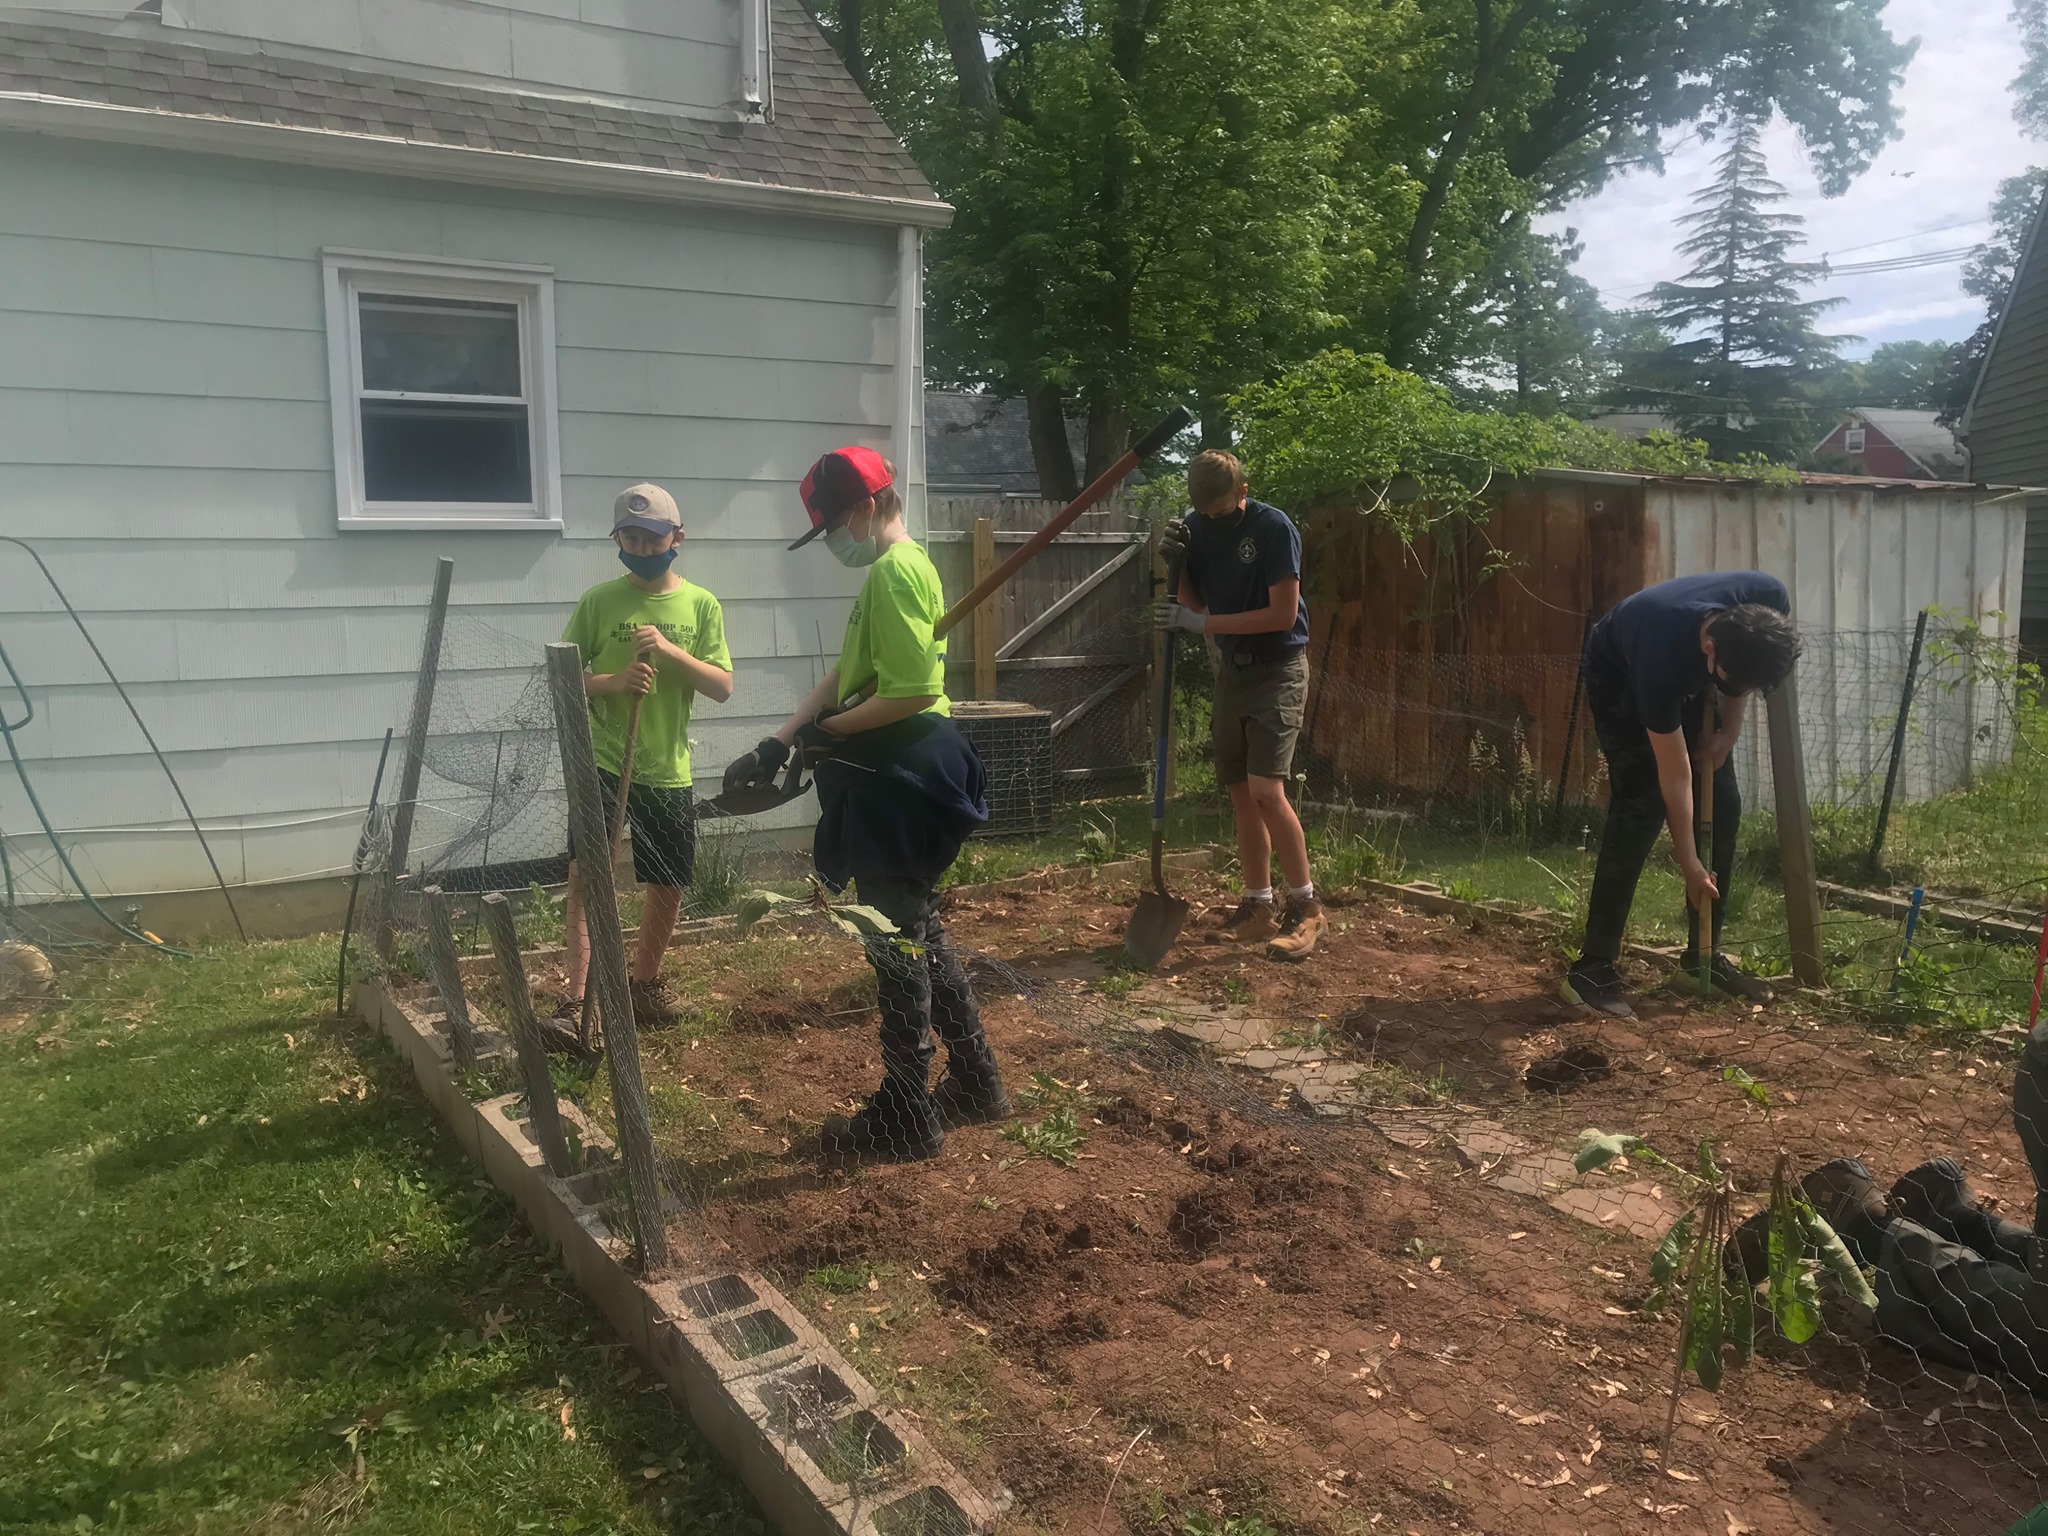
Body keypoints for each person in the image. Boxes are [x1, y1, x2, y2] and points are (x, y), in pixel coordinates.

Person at [722, 447, 1004, 1166]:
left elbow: (908, 691)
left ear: (866, 507)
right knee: (917, 932)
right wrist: (778, 739)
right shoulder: (888, 575)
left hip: (905, 775)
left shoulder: (897, 570)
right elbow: (850, 673)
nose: (834, 543)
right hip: (896, 766)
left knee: (895, 942)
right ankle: (975, 1084)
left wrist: (829, 732)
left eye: (835, 526)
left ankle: (909, 1116)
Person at [1562, 571, 1800, 1018]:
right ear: (1710, 651)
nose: (1740, 692)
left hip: (1694, 667)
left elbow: (1739, 678)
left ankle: (1702, 956)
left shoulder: (1768, 600)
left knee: (1724, 802)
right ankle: (1591, 968)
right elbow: (1675, 775)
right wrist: (1690, 865)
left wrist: (1728, 733)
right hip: (1617, 671)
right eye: (1734, 683)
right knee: (1643, 801)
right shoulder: (1661, 660)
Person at [559, 484, 733, 1028]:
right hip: (605, 763)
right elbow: (565, 676)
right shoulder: (598, 602)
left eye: (652, 538)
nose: (641, 546)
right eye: (629, 537)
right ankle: (575, 1000)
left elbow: (722, 686)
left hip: (666, 768)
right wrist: (615, 680)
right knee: (587, 876)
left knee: (667, 881)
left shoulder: (701, 604)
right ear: (617, 540)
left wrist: (669, 649)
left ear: (677, 538)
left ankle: (644, 987)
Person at [1154, 449, 1325, 961]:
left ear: (1243, 494)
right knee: (1240, 796)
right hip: (1233, 671)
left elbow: (1281, 614)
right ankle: (1258, 907)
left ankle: (1308, 908)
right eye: (1205, 514)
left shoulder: (1274, 529)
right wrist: (1176, 565)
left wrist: (1200, 626)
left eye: (1223, 512)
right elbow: (1198, 602)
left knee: (1267, 791)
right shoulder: (1196, 525)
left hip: (1278, 669)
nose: (1213, 520)